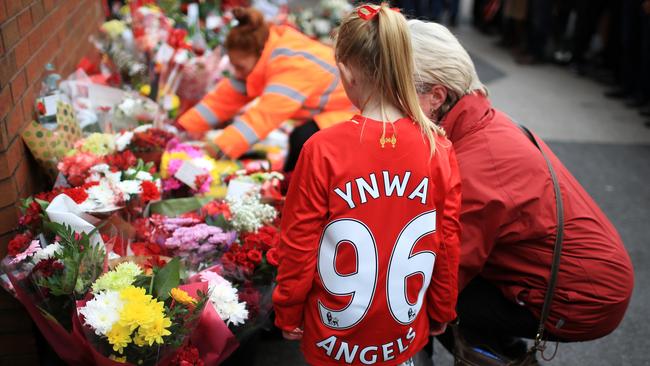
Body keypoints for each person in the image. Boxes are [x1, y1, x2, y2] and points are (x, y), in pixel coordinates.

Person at [408, 20, 634, 358]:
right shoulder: (479, 120)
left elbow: (444, 275)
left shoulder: (479, 165)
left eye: (396, 91)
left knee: (432, 303)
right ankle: (504, 351)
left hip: (582, 299)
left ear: (437, 96)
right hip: (588, 281)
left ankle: (502, 357)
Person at [272, 4, 462, 365]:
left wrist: (287, 311)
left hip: (334, 338)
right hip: (401, 332)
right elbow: (447, 240)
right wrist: (442, 308)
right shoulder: (438, 147)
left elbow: (298, 242)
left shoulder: (322, 148)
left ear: (346, 71)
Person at [178, 7, 355, 171]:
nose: (237, 73)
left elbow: (263, 117)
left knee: (304, 142)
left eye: (240, 67)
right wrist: (181, 129)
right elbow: (224, 98)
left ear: (259, 53)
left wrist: (214, 150)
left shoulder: (292, 64)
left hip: (352, 114)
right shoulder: (267, 55)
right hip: (334, 112)